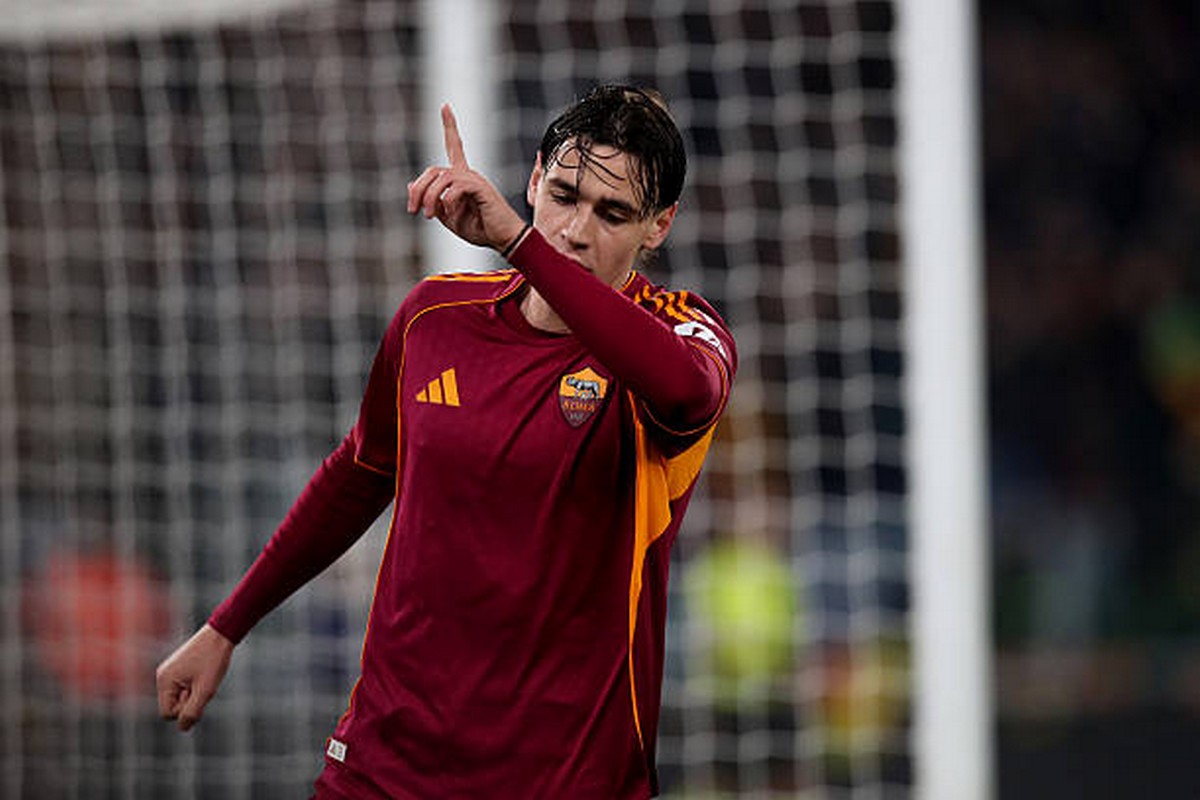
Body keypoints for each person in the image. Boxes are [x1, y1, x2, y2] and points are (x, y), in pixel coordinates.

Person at [156, 84, 737, 799]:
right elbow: (359, 472)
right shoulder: (434, 318)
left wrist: (519, 243)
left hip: (561, 779)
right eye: (563, 196)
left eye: (612, 213)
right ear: (533, 180)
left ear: (660, 226)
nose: (575, 230)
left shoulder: (681, 336)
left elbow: (686, 392)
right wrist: (226, 625)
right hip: (384, 765)